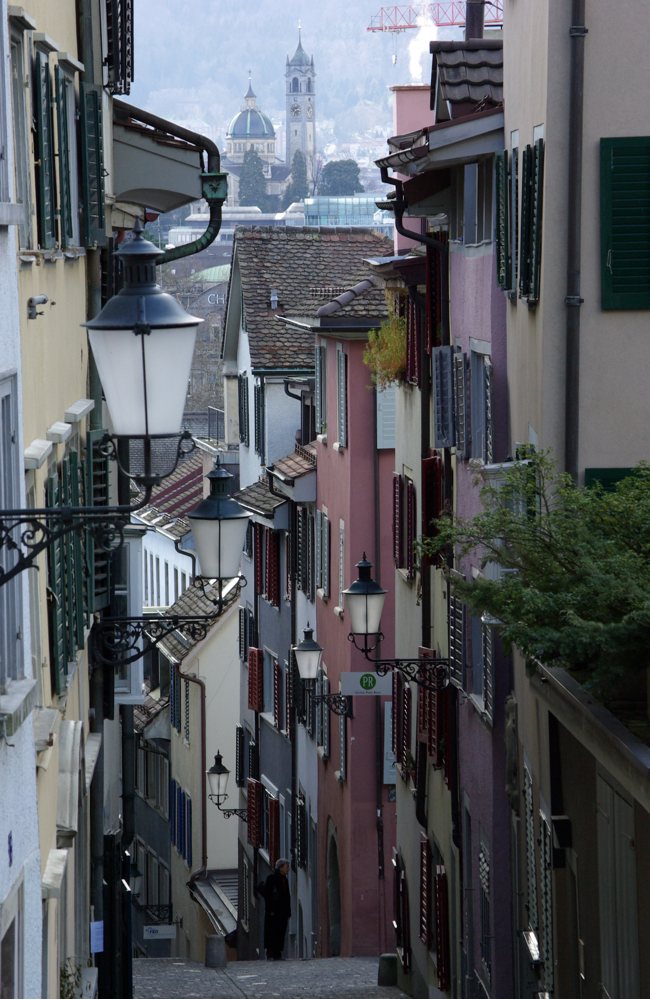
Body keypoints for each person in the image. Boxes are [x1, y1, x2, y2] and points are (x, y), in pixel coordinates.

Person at [258, 858, 291, 960]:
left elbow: (287, 897)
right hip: (273, 912)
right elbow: (268, 895)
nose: (288, 869)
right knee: (272, 932)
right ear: (281, 867)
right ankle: (271, 953)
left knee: (280, 933)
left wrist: (288, 912)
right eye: (286, 867)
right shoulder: (272, 878)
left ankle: (278, 953)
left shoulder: (284, 879)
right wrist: (271, 910)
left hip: (282, 912)